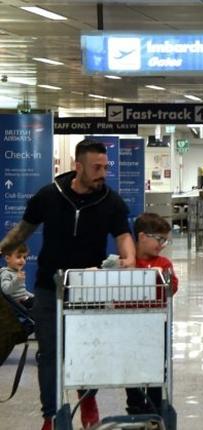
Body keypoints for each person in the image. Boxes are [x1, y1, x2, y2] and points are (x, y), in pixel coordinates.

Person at [0, 139, 135, 430]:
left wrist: (129, 259)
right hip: (50, 287)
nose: (103, 173)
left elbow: (124, 236)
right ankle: (50, 415)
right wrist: (2, 248)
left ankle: (87, 398)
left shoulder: (110, 201)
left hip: (88, 287)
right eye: (96, 167)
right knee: (48, 353)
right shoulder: (49, 196)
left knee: (86, 349)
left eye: (105, 167)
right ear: (78, 167)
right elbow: (23, 231)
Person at [125, 213, 179, 415]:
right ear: (142, 237)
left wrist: (162, 278)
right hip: (128, 325)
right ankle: (135, 405)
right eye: (159, 239)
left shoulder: (164, 264)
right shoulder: (126, 263)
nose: (162, 244)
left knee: (157, 366)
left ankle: (155, 408)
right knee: (131, 366)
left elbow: (172, 288)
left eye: (165, 240)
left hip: (156, 324)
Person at [0, 242, 33, 309]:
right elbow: (6, 290)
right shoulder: (6, 273)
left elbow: (22, 291)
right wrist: (17, 280)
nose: (22, 260)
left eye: (24, 257)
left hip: (24, 302)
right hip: (17, 305)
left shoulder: (18, 273)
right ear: (7, 259)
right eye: (18, 257)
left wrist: (32, 296)